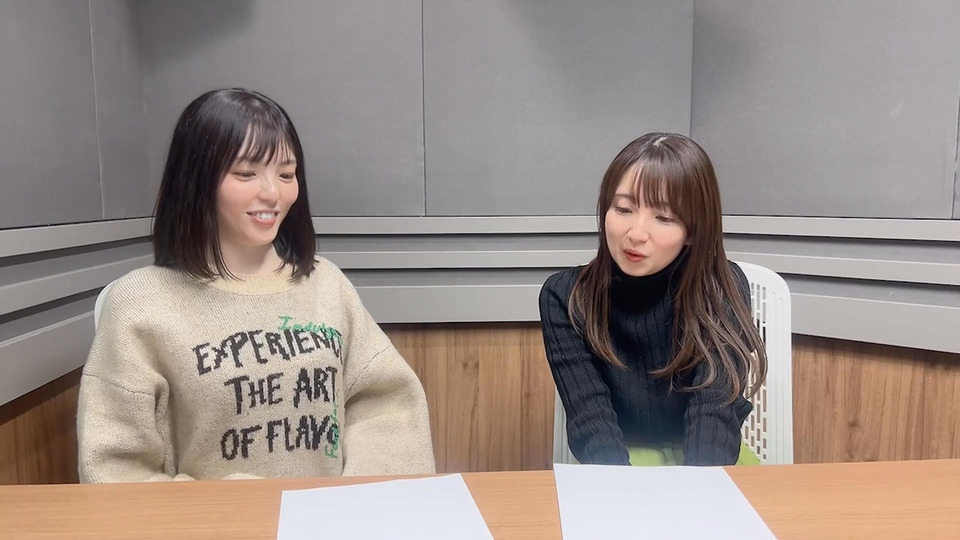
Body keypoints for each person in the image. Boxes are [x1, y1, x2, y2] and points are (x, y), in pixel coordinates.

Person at [78, 88, 435, 482]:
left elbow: (387, 405)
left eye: (286, 174)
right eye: (246, 174)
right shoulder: (139, 303)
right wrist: (227, 506)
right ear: (195, 180)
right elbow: (115, 469)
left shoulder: (327, 285)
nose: (273, 193)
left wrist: (358, 496)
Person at [540, 132, 767, 466]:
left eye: (664, 217)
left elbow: (713, 414)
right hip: (619, 459)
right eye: (623, 209)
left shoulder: (722, 287)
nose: (635, 234)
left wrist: (700, 491)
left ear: (693, 231)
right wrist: (623, 491)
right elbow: (591, 420)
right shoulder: (566, 296)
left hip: (707, 460)